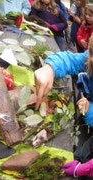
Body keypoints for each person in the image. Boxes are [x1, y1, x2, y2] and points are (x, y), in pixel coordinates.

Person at [34, 35, 93, 178]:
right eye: (91, 52)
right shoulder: (89, 60)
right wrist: (50, 68)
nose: (92, 59)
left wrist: (81, 169)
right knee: (81, 151)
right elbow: (70, 60)